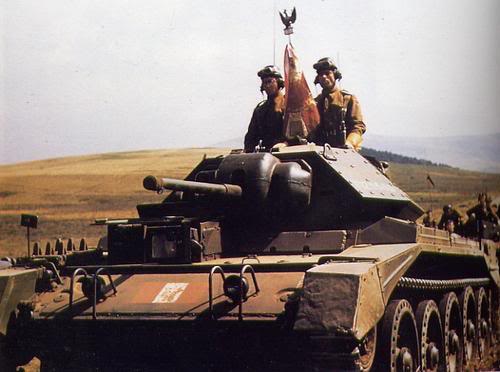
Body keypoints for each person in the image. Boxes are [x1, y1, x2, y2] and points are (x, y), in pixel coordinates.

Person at [308, 57, 366, 150]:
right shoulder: (314, 103)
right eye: (321, 74)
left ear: (335, 75)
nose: (324, 77)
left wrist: (350, 142)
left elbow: (358, 126)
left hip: (343, 151)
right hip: (319, 151)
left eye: (327, 73)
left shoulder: (347, 99)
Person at [244, 65, 285, 152]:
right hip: (266, 153)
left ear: (279, 82)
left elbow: (298, 133)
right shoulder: (260, 109)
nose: (267, 85)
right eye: (264, 83)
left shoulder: (289, 105)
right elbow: (251, 137)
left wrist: (286, 143)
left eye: (270, 81)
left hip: (288, 151)